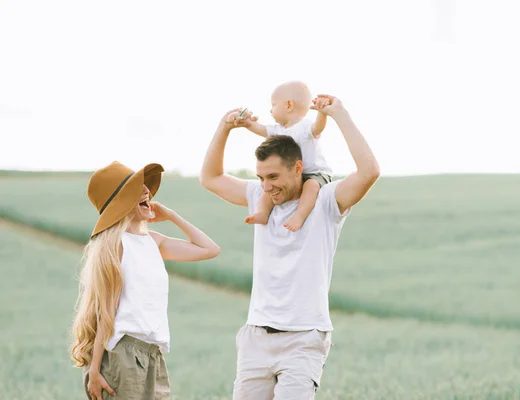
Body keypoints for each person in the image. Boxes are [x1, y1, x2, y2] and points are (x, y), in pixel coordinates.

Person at [200, 94, 380, 399]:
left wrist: (339, 115)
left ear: (298, 168)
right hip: (256, 336)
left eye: (273, 176)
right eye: (260, 177)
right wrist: (224, 128)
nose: (266, 186)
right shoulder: (260, 196)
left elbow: (369, 172)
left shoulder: (326, 201)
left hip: (304, 338)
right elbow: (210, 177)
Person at [70, 161, 221, 400]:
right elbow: (107, 310)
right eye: (136, 189)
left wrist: (171, 216)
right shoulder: (116, 245)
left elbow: (210, 249)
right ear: (120, 204)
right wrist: (96, 369)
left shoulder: (154, 241)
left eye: (144, 187)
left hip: (153, 354)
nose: (147, 192)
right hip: (124, 353)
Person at [225, 81, 333, 232]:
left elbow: (318, 127)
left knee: (311, 186)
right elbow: (260, 129)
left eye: (274, 105)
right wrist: (246, 122)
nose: (270, 111)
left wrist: (322, 112)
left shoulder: (305, 127)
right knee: (267, 190)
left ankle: (299, 216)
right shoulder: (278, 130)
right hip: (293, 175)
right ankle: (263, 213)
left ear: (288, 105)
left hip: (315, 173)